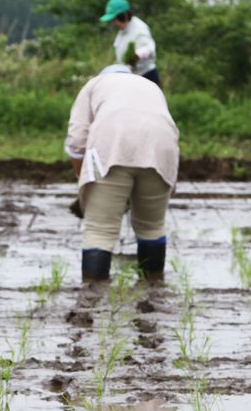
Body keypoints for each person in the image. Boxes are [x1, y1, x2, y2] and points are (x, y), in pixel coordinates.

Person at [65, 65, 179, 282]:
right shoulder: (151, 86)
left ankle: (92, 299)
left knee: (100, 231)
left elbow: (77, 141)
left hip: (112, 147)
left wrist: (84, 180)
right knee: (152, 226)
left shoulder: (94, 84)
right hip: (161, 149)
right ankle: (153, 289)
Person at [100, 0, 160, 87]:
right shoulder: (123, 29)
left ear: (124, 15)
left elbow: (149, 48)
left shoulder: (140, 29)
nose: (112, 23)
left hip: (146, 76)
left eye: (114, 20)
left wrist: (137, 55)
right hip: (131, 77)